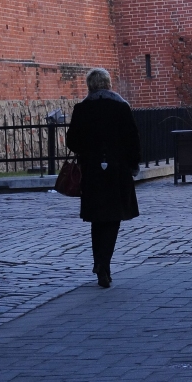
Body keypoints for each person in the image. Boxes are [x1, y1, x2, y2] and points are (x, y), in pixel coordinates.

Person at [65, 68, 141, 288]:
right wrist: (133, 163)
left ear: (90, 85)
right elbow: (132, 139)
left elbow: (72, 142)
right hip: (117, 171)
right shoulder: (121, 107)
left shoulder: (82, 109)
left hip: (91, 171)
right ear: (108, 84)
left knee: (97, 220)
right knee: (113, 218)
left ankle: (100, 264)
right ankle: (103, 264)